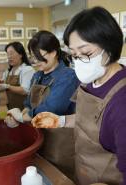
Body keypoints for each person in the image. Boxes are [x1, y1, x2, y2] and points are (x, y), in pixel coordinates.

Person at [36, 7, 126, 185]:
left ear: (109, 45)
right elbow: (92, 120)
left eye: (86, 53)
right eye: (74, 55)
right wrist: (62, 121)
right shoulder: (90, 80)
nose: (79, 61)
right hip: (84, 172)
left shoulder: (122, 102)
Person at [5, 30, 79, 180]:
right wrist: (18, 116)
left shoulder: (68, 76)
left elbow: (52, 108)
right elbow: (27, 103)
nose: (35, 61)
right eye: (33, 57)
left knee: (58, 178)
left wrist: (23, 117)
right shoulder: (37, 75)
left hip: (58, 143)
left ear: (53, 53)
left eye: (39, 57)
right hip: (37, 138)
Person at [0, 41, 35, 110]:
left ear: (21, 54)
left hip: (24, 110)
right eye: (7, 54)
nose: (9, 57)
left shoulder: (27, 69)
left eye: (11, 53)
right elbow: (2, 84)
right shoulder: (8, 71)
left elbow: (25, 90)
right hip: (11, 108)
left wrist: (7, 86)